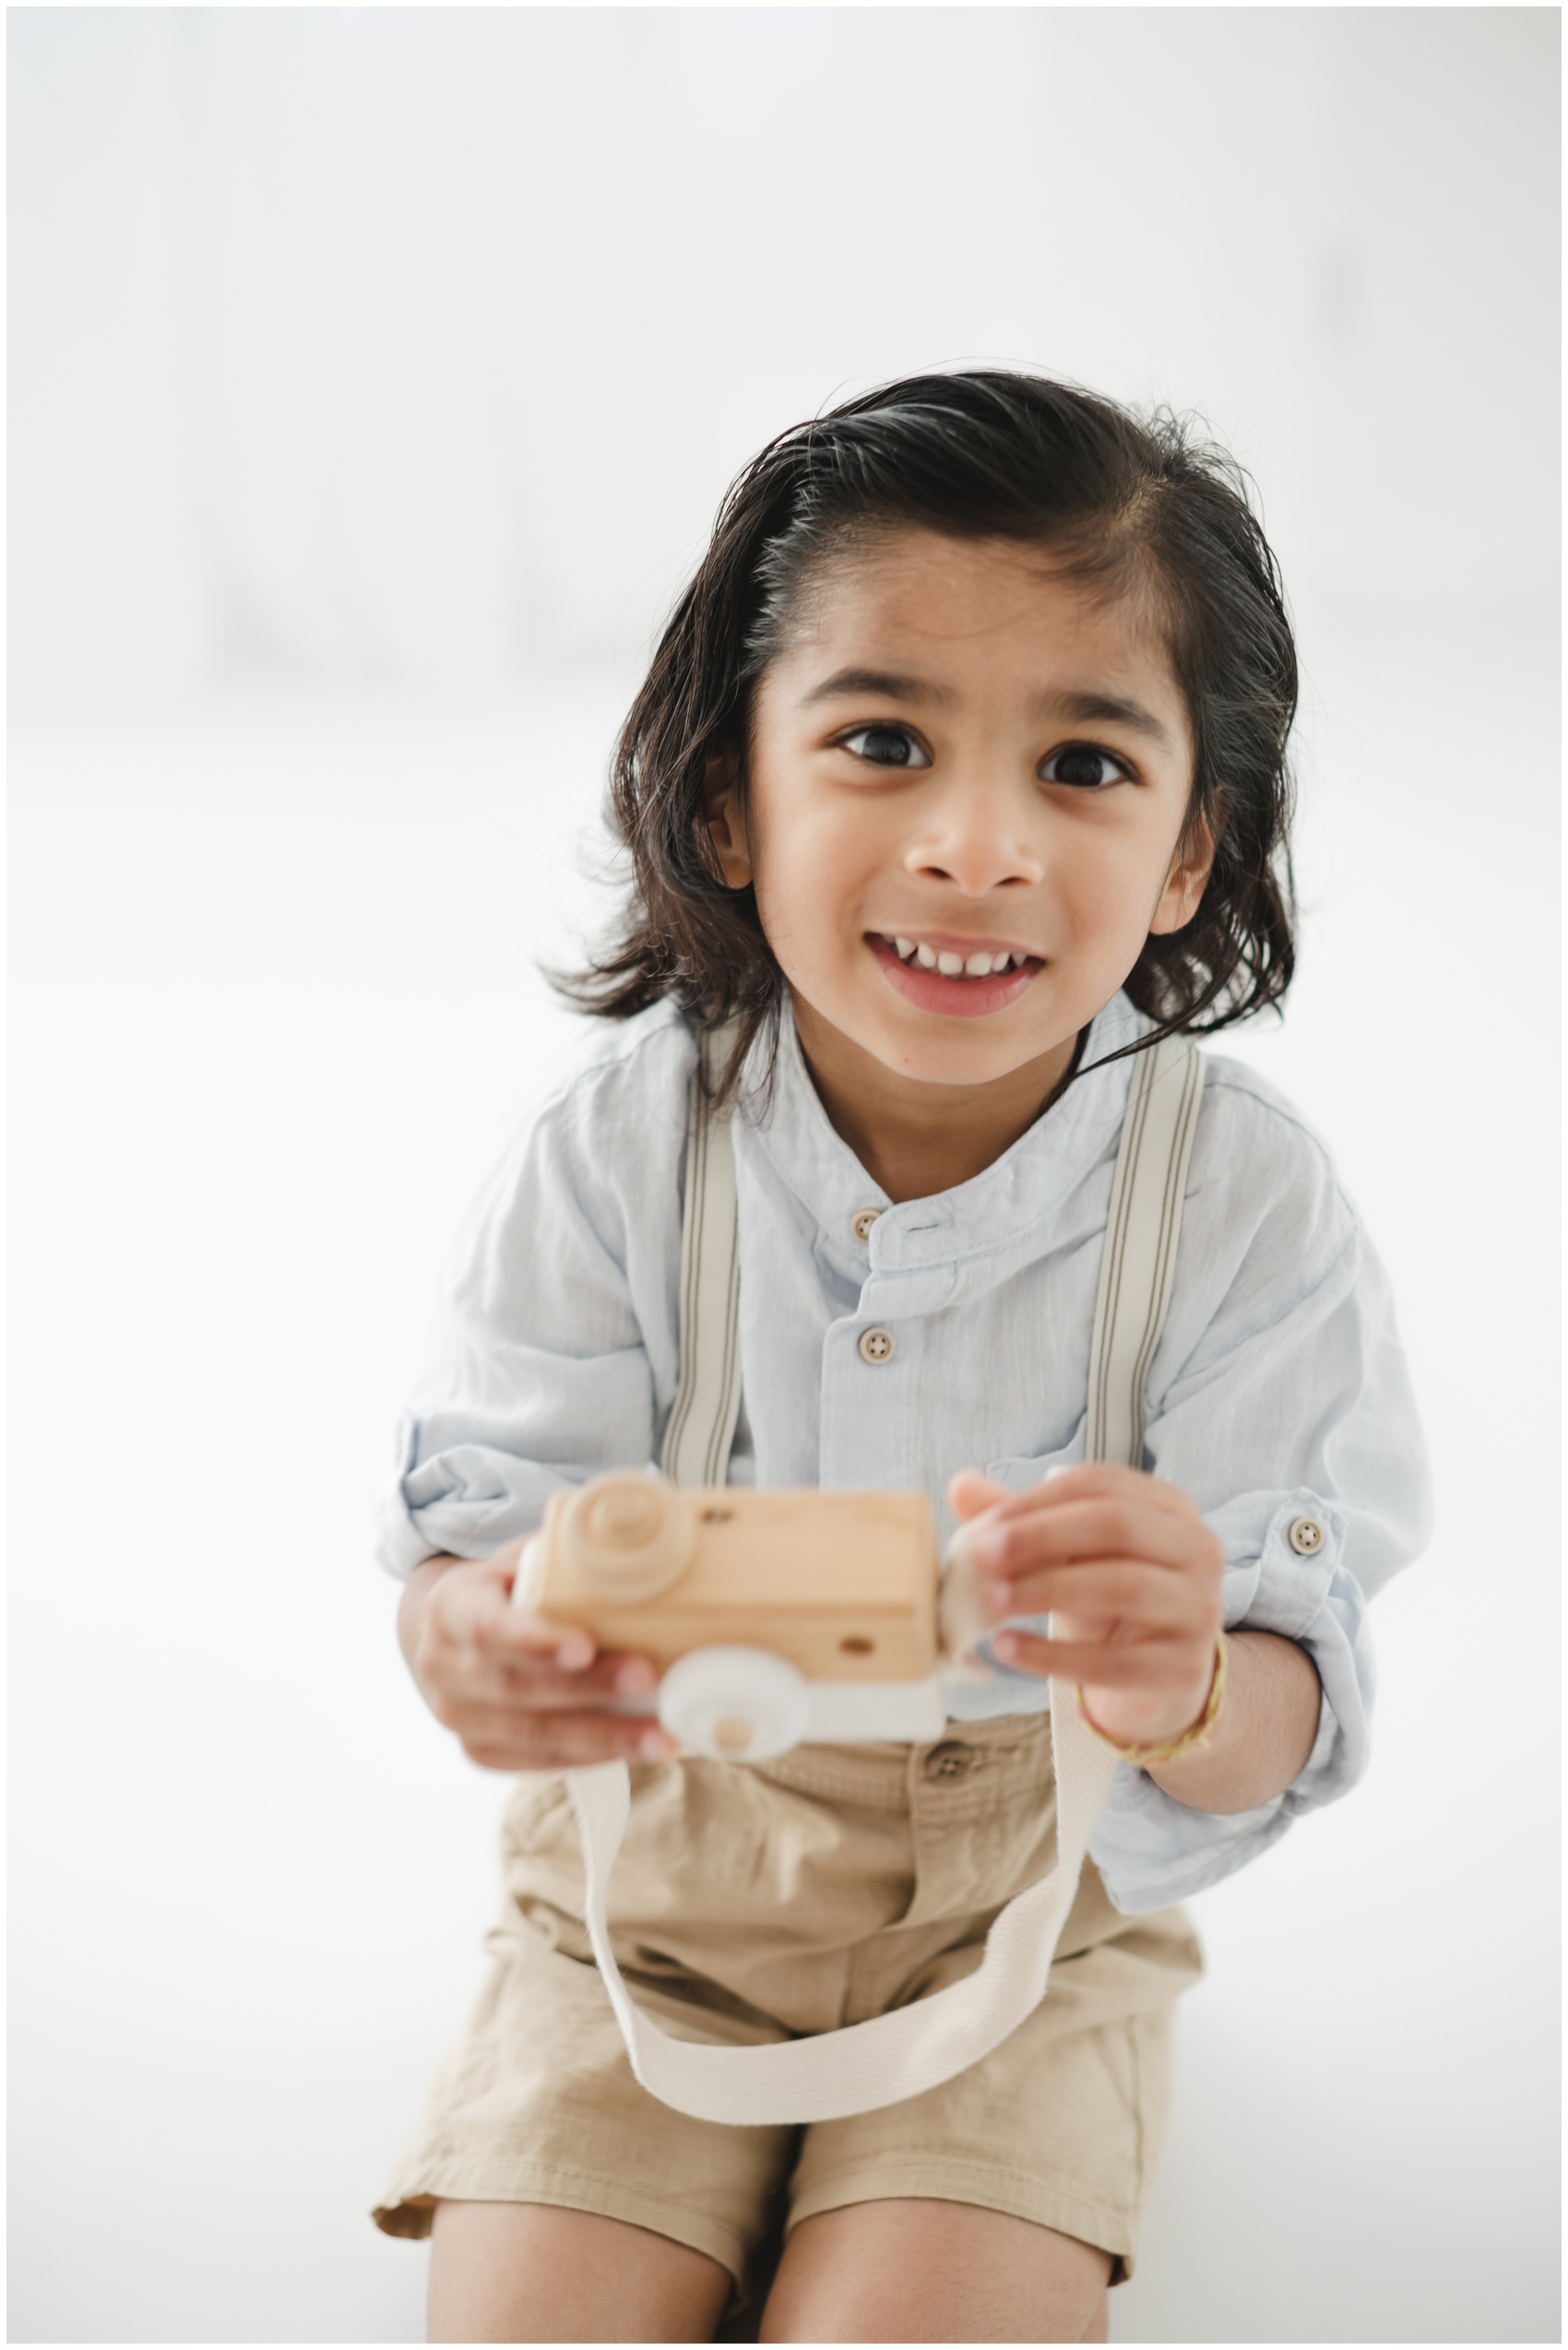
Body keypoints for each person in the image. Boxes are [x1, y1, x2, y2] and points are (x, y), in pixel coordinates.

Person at [371, 371, 1431, 2344]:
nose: (975, 844)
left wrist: (1186, 1671)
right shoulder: (614, 1152)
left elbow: (1294, 1682)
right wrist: (476, 1637)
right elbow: (472, 1540)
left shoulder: (1245, 1205)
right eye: (880, 740)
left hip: (1024, 1923)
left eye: (1085, 769)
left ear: (1194, 852)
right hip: (642, 1907)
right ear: (726, 803)